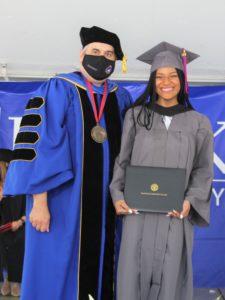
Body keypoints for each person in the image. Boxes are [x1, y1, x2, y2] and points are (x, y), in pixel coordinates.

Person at [4, 26, 132, 300]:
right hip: (62, 202)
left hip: (108, 204)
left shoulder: (120, 97)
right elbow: (40, 146)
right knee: (56, 268)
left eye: (109, 54)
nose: (102, 58)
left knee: (105, 268)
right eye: (95, 51)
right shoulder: (59, 88)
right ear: (82, 54)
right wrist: (39, 203)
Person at [109, 41, 214, 300]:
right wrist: (118, 196)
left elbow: (203, 170)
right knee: (132, 274)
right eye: (160, 76)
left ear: (182, 79)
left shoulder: (199, 123)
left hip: (175, 213)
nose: (166, 82)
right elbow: (122, 161)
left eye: (172, 75)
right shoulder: (135, 116)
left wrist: (190, 201)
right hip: (137, 212)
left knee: (172, 278)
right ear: (152, 80)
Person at [0, 148, 25, 297]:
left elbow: (29, 210)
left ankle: (15, 280)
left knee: (19, 240)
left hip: (19, 226)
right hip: (2, 228)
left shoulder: (19, 185)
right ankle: (5, 279)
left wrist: (20, 222)